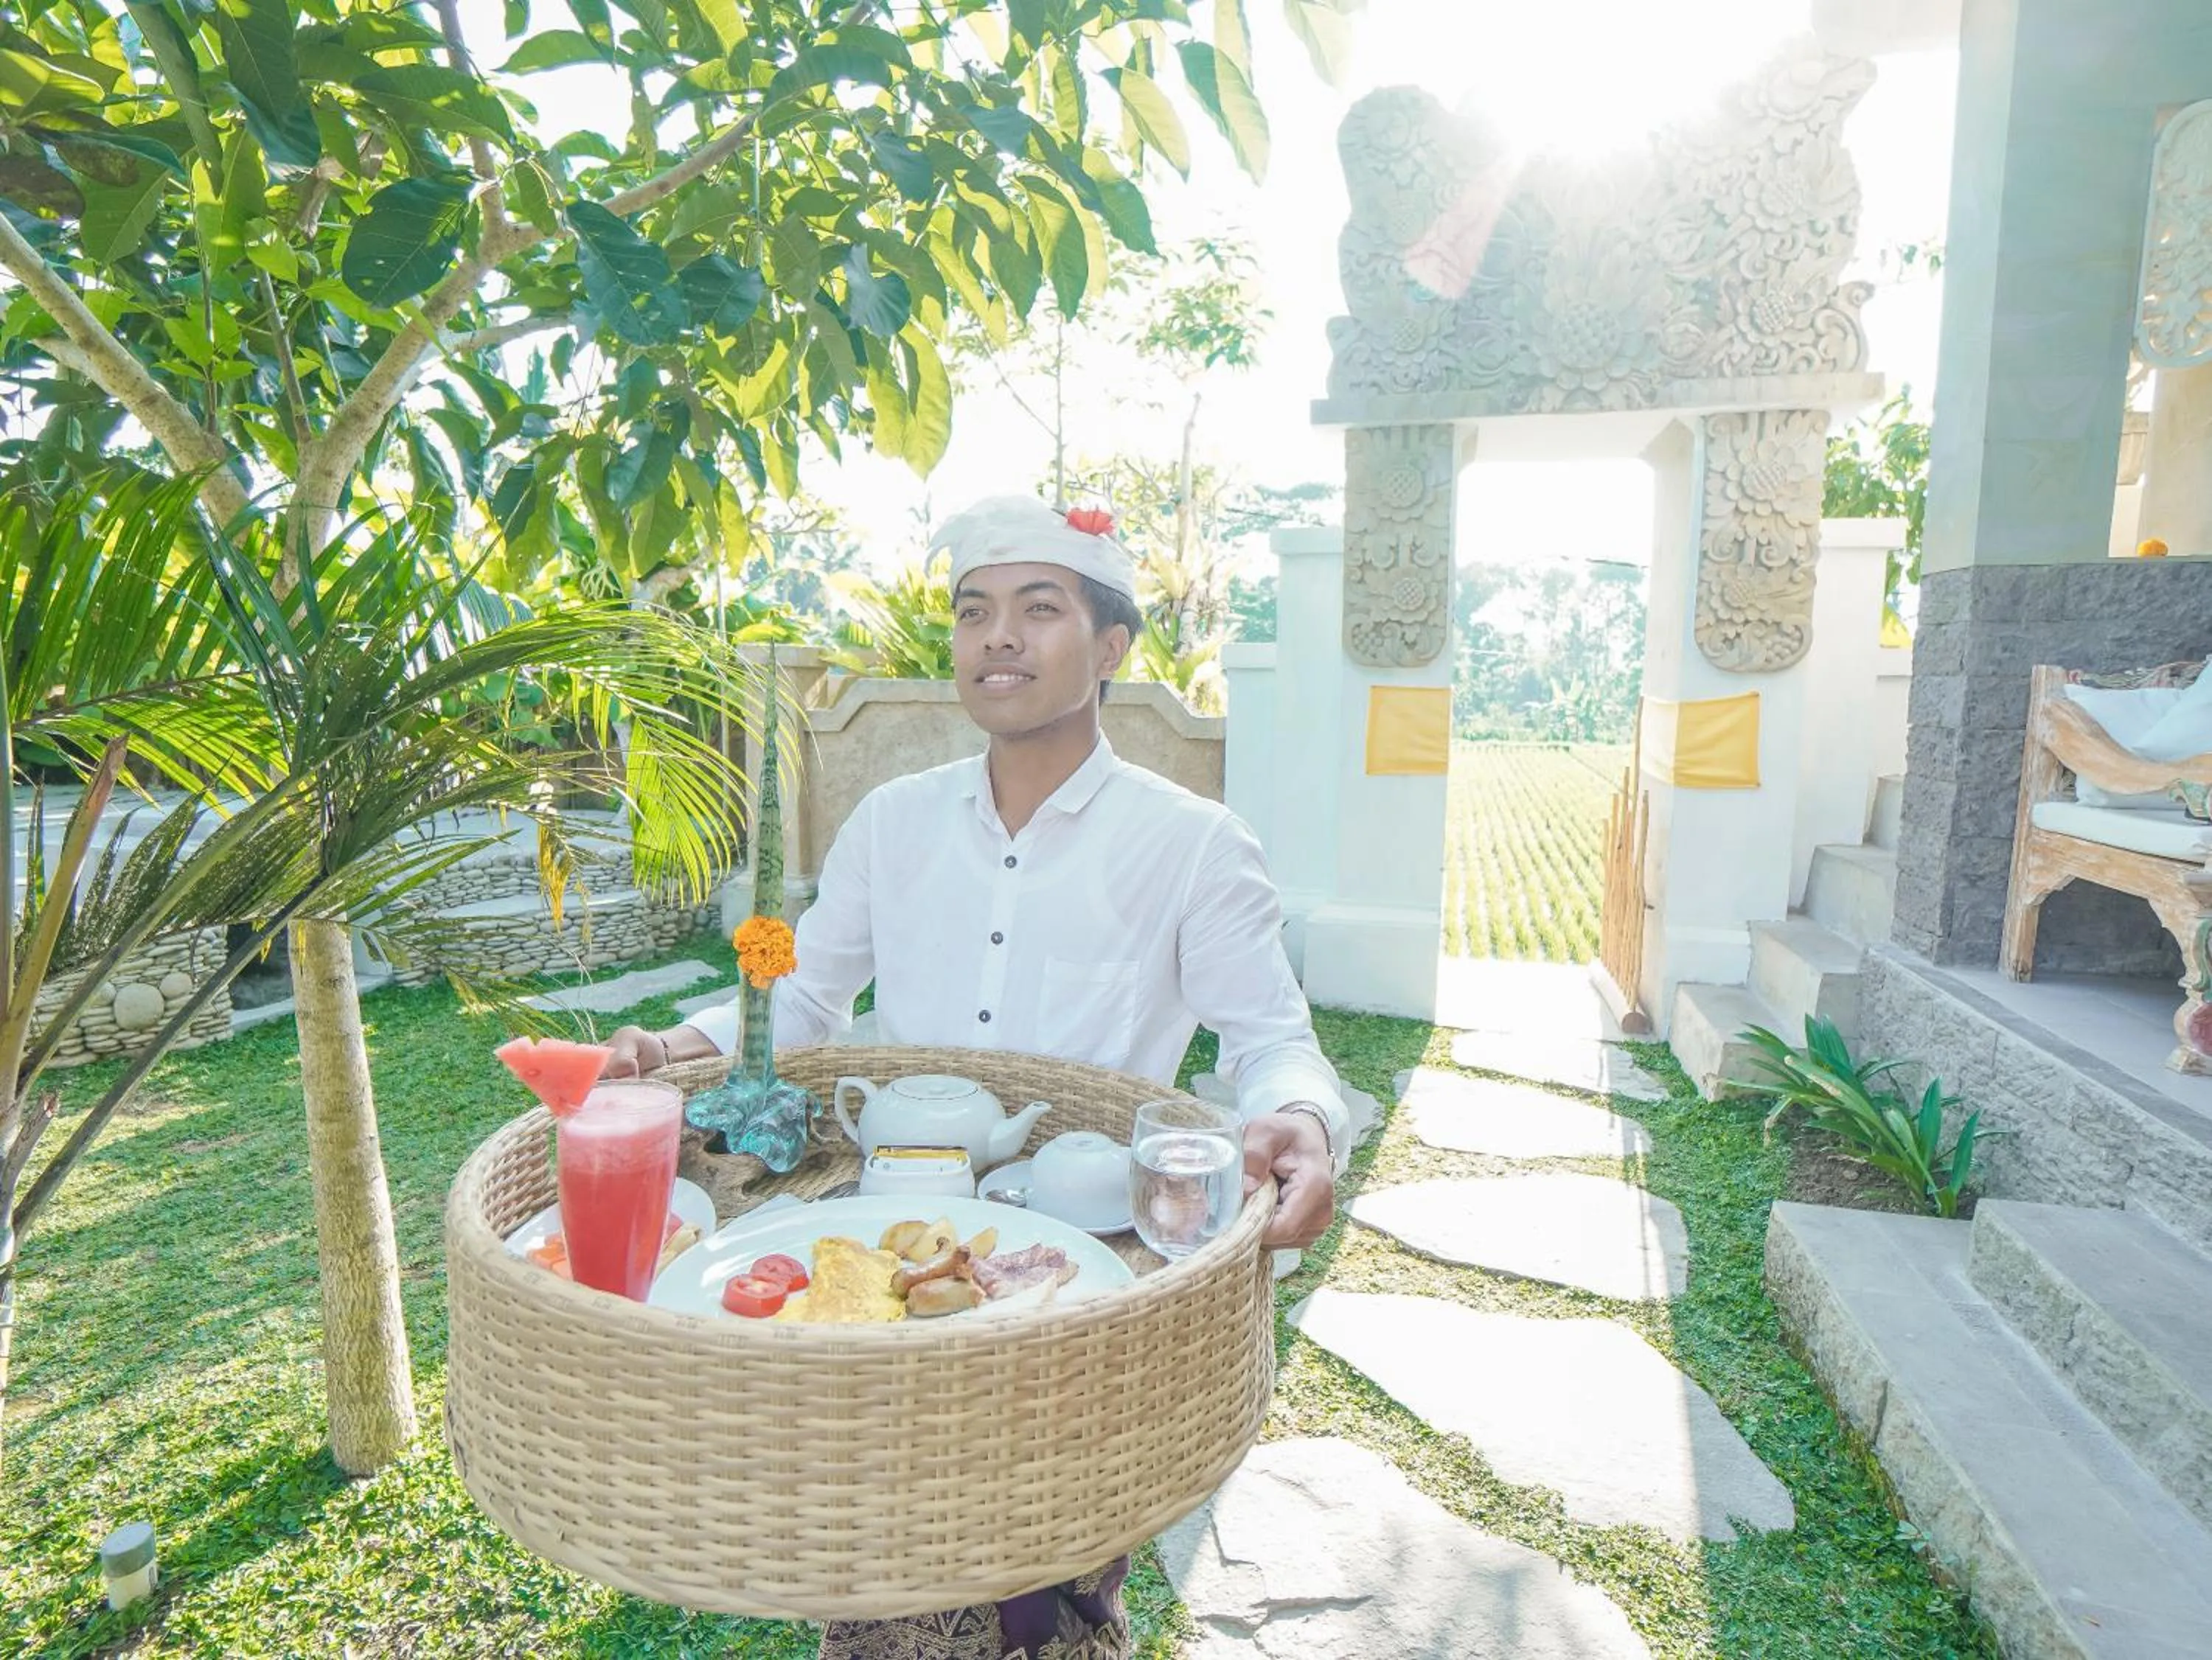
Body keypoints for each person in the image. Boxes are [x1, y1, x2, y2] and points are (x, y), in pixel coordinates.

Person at [599, 492, 1346, 1660]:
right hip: (888, 1247)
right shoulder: (889, 823)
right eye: (973, 611)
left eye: (1037, 610)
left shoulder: (1194, 843)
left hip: (1074, 1270)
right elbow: (794, 985)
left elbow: (1266, 1036)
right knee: (879, 1540)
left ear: (1110, 649)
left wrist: (1299, 1117)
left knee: (1043, 1551)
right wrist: (677, 1046)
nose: (996, 636)